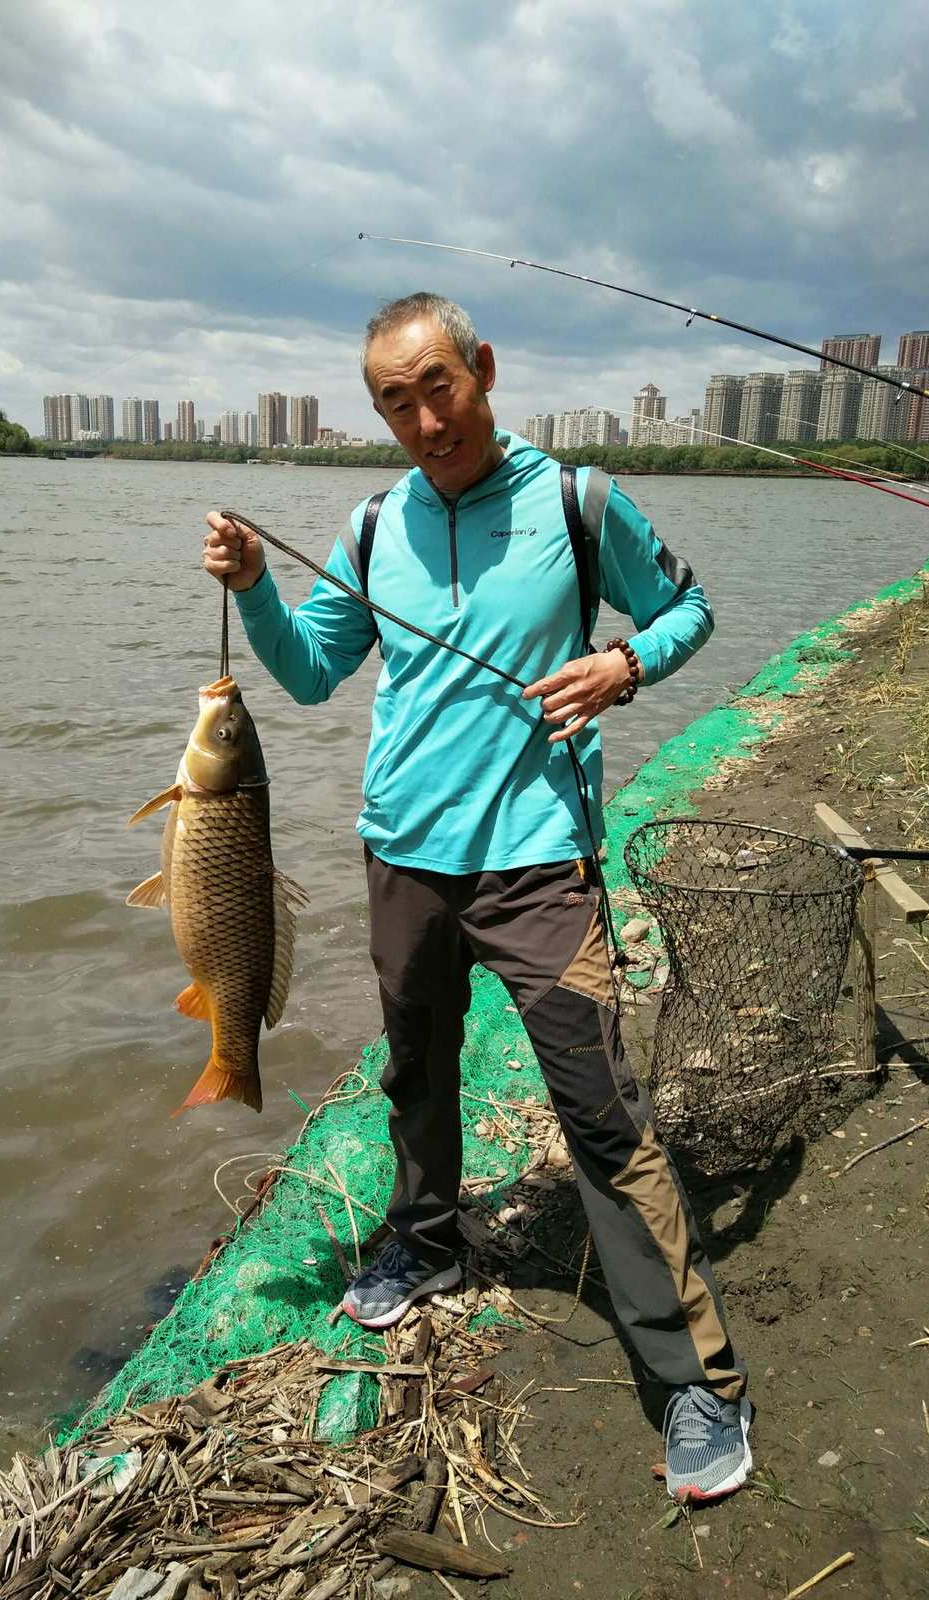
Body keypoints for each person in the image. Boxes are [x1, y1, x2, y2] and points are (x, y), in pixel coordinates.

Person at [202, 293, 751, 1503]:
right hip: (402, 855)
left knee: (602, 1111)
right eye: (393, 400)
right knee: (417, 1067)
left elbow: (691, 609)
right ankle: (427, 1242)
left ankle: (697, 1381)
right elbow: (305, 673)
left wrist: (622, 664)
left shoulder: (579, 502)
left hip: (540, 857)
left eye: (438, 384)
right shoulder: (371, 522)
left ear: (484, 369)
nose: (422, 418)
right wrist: (252, 587)